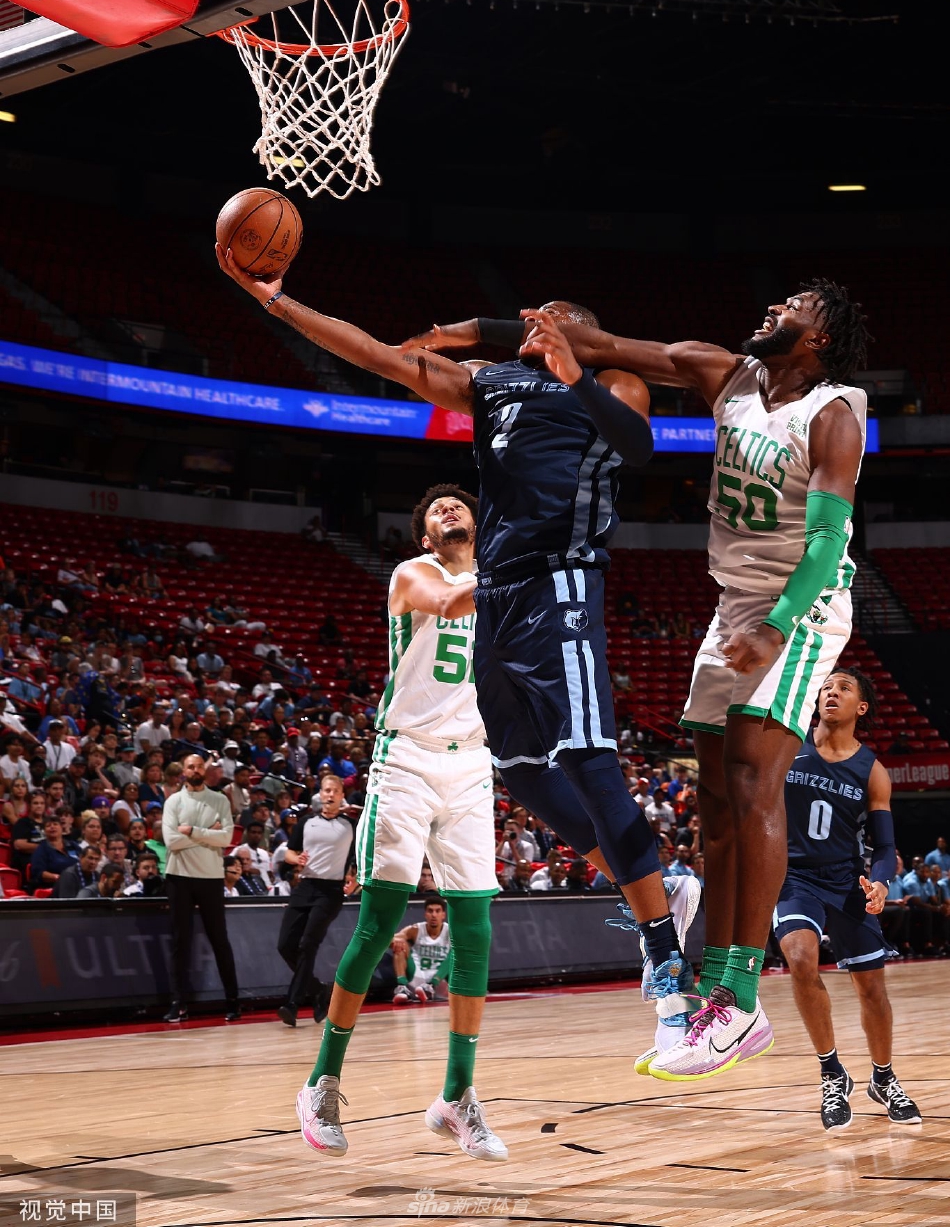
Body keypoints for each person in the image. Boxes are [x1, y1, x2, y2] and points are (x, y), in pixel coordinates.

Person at [218, 258, 695, 1076]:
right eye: (529, 317)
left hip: (562, 582)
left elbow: (639, 446)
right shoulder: (492, 382)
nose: (531, 323)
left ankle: (667, 964)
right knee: (525, 774)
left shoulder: (614, 381)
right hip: (499, 597)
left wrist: (575, 371)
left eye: (549, 316)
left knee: (588, 760)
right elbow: (378, 354)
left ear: (581, 331)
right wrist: (278, 301)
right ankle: (651, 884)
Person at [492, 283, 869, 1080]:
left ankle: (741, 996)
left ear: (821, 338)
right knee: (716, 800)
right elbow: (604, 346)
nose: (774, 306)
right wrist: (538, 331)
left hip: (802, 602)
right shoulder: (721, 371)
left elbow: (826, 542)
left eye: (795, 305)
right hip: (735, 604)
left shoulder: (834, 412)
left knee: (753, 777)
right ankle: (719, 988)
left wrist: (778, 625)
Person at [283, 484, 505, 1161]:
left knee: (476, 930)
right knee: (379, 921)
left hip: (473, 762)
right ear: (424, 536)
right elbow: (450, 603)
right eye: (436, 509)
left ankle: (457, 1095)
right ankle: (321, 1082)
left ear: (477, 524)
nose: (448, 509)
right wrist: (518, 567)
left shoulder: (498, 584)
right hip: (406, 757)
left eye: (459, 505)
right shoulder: (415, 574)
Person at [772, 668, 921, 1128]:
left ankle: (883, 1076)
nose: (831, 692)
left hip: (846, 881)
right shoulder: (786, 746)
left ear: (861, 707)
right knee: (801, 959)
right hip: (794, 877)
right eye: (826, 687)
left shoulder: (872, 771)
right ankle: (831, 1072)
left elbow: (885, 845)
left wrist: (881, 882)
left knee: (872, 989)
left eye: (843, 687)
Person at [161, 751, 241, 1023]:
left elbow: (227, 838)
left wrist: (192, 831)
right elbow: (171, 841)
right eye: (190, 766)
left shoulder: (219, 799)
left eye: (198, 766)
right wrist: (209, 833)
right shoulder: (173, 801)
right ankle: (178, 1003)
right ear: (183, 771)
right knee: (180, 942)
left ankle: (233, 1001)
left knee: (219, 940)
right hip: (179, 876)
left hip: (210, 877)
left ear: (204, 770)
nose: (195, 770)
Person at [275, 773, 356, 1026]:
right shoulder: (306, 822)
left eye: (335, 791)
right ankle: (318, 990)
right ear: (320, 794)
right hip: (305, 885)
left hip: (330, 891)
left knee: (308, 944)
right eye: (326, 790)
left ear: (342, 796)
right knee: (285, 945)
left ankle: (292, 1003)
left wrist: (356, 879)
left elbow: (361, 857)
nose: (330, 795)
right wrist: (295, 859)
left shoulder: (350, 825)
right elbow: (290, 852)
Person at [392, 896, 453, 1003]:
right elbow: (390, 939)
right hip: (417, 976)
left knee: (456, 952)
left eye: (437, 911)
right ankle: (402, 988)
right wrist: (396, 942)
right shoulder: (415, 929)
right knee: (400, 945)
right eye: (430, 911)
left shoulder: (450, 931)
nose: (434, 915)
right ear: (425, 914)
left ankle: (431, 986)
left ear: (443, 915)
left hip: (440, 981)